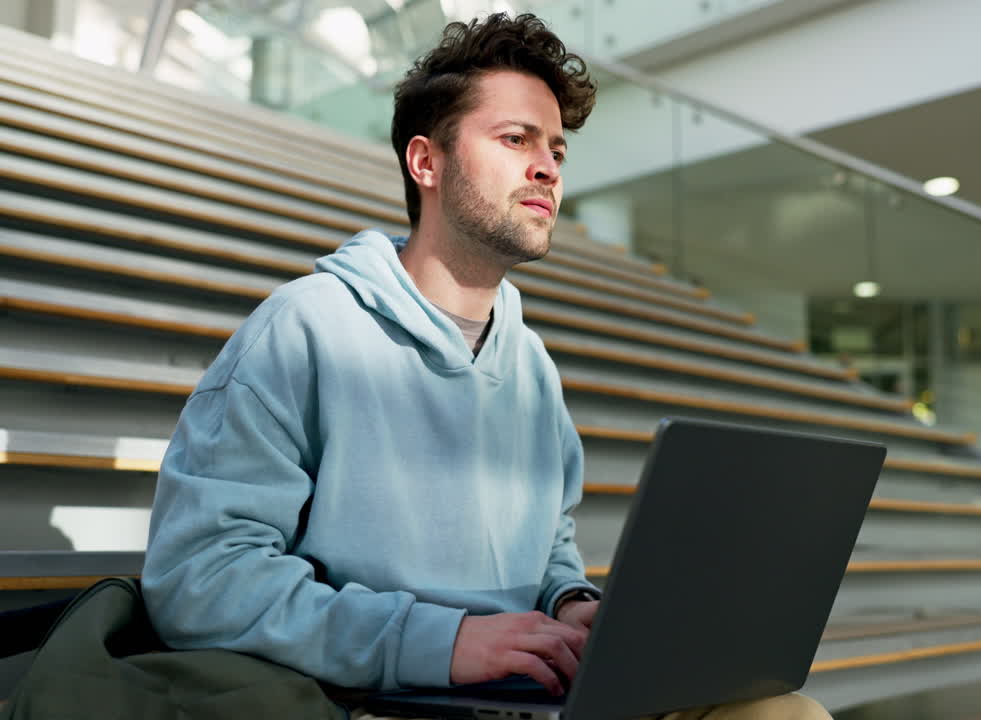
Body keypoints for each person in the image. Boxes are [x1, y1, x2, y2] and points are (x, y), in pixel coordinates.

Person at [141, 13, 830, 720]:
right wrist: (437, 641)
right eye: (515, 139)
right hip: (379, 696)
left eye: (557, 150)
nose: (547, 168)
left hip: (524, 691)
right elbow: (201, 578)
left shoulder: (529, 364)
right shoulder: (304, 330)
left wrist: (572, 601)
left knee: (783, 711)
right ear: (425, 162)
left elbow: (548, 545)